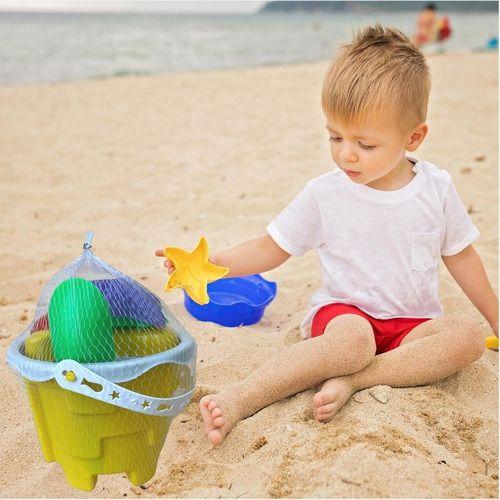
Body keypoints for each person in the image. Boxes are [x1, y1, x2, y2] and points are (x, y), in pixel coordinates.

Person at [156, 25, 498, 446]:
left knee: (465, 336)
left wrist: (497, 320)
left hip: (411, 327)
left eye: (364, 144)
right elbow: (270, 247)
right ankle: (243, 398)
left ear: (414, 137)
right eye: (335, 136)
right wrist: (204, 267)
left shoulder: (436, 187)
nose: (345, 154)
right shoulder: (326, 194)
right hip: (344, 317)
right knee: (354, 344)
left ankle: (358, 381)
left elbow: (462, 257)